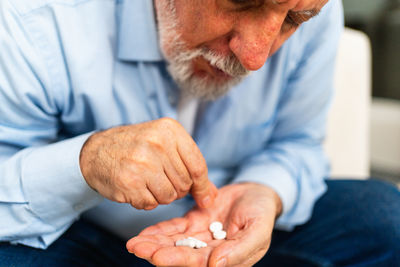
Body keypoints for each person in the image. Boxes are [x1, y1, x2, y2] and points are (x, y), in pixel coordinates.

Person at [0, 0, 399, 266]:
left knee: (383, 216)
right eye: (244, 0)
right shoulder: (34, 21)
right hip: (83, 239)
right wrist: (86, 163)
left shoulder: (316, 9)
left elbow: (296, 144)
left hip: (233, 242)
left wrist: (265, 191)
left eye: (293, 21)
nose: (256, 58)